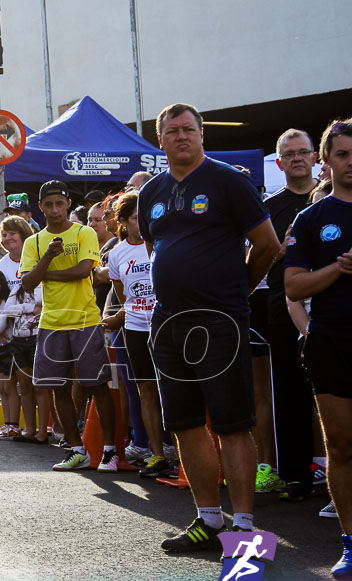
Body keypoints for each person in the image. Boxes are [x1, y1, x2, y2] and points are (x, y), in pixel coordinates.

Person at [138, 103, 279, 551]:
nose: (182, 136)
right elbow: (153, 247)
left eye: (189, 129)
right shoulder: (151, 194)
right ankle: (208, 519)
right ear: (160, 139)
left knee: (232, 423)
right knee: (184, 423)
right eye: (172, 131)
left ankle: (243, 525)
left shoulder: (228, 181)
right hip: (168, 322)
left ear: (202, 135)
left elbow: (268, 246)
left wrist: (238, 292)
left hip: (220, 320)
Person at [284, 119, 352, 579]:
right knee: (342, 448)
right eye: (343, 154)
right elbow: (292, 285)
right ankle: (350, 542)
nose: (351, 163)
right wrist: (339, 269)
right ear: (325, 161)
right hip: (331, 343)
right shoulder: (311, 218)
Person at [20, 180, 118, 472]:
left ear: (67, 205)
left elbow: (84, 270)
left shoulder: (84, 232)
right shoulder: (34, 242)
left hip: (86, 320)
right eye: (48, 205)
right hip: (52, 323)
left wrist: (45, 272)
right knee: (56, 388)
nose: (54, 210)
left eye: (59, 204)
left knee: (98, 386)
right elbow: (26, 283)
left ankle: (110, 450)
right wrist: (48, 256)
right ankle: (77, 449)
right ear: (41, 207)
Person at [260, 129, 319, 502]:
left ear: (316, 158)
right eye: (290, 154)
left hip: (332, 311)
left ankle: (330, 471)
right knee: (290, 394)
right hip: (282, 312)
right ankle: (296, 474)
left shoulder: (332, 199)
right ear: (279, 163)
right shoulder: (269, 208)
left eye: (303, 152)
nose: (297, 159)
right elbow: (254, 262)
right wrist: (278, 252)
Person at [104, 192, 168, 477]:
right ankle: (156, 454)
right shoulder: (117, 254)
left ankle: (177, 448)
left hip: (167, 326)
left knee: (175, 388)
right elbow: (123, 298)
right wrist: (122, 316)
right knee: (145, 391)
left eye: (145, 217)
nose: (141, 223)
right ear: (123, 221)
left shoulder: (163, 244)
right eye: (134, 218)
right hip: (136, 329)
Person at [0, 216, 47, 442]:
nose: (7, 238)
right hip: (15, 334)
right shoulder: (2, 266)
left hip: (41, 331)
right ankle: (30, 430)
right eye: (4, 234)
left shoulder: (37, 258)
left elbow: (41, 302)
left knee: (42, 384)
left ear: (24, 234)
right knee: (24, 384)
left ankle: (47, 430)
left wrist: (25, 309)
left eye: (12, 233)